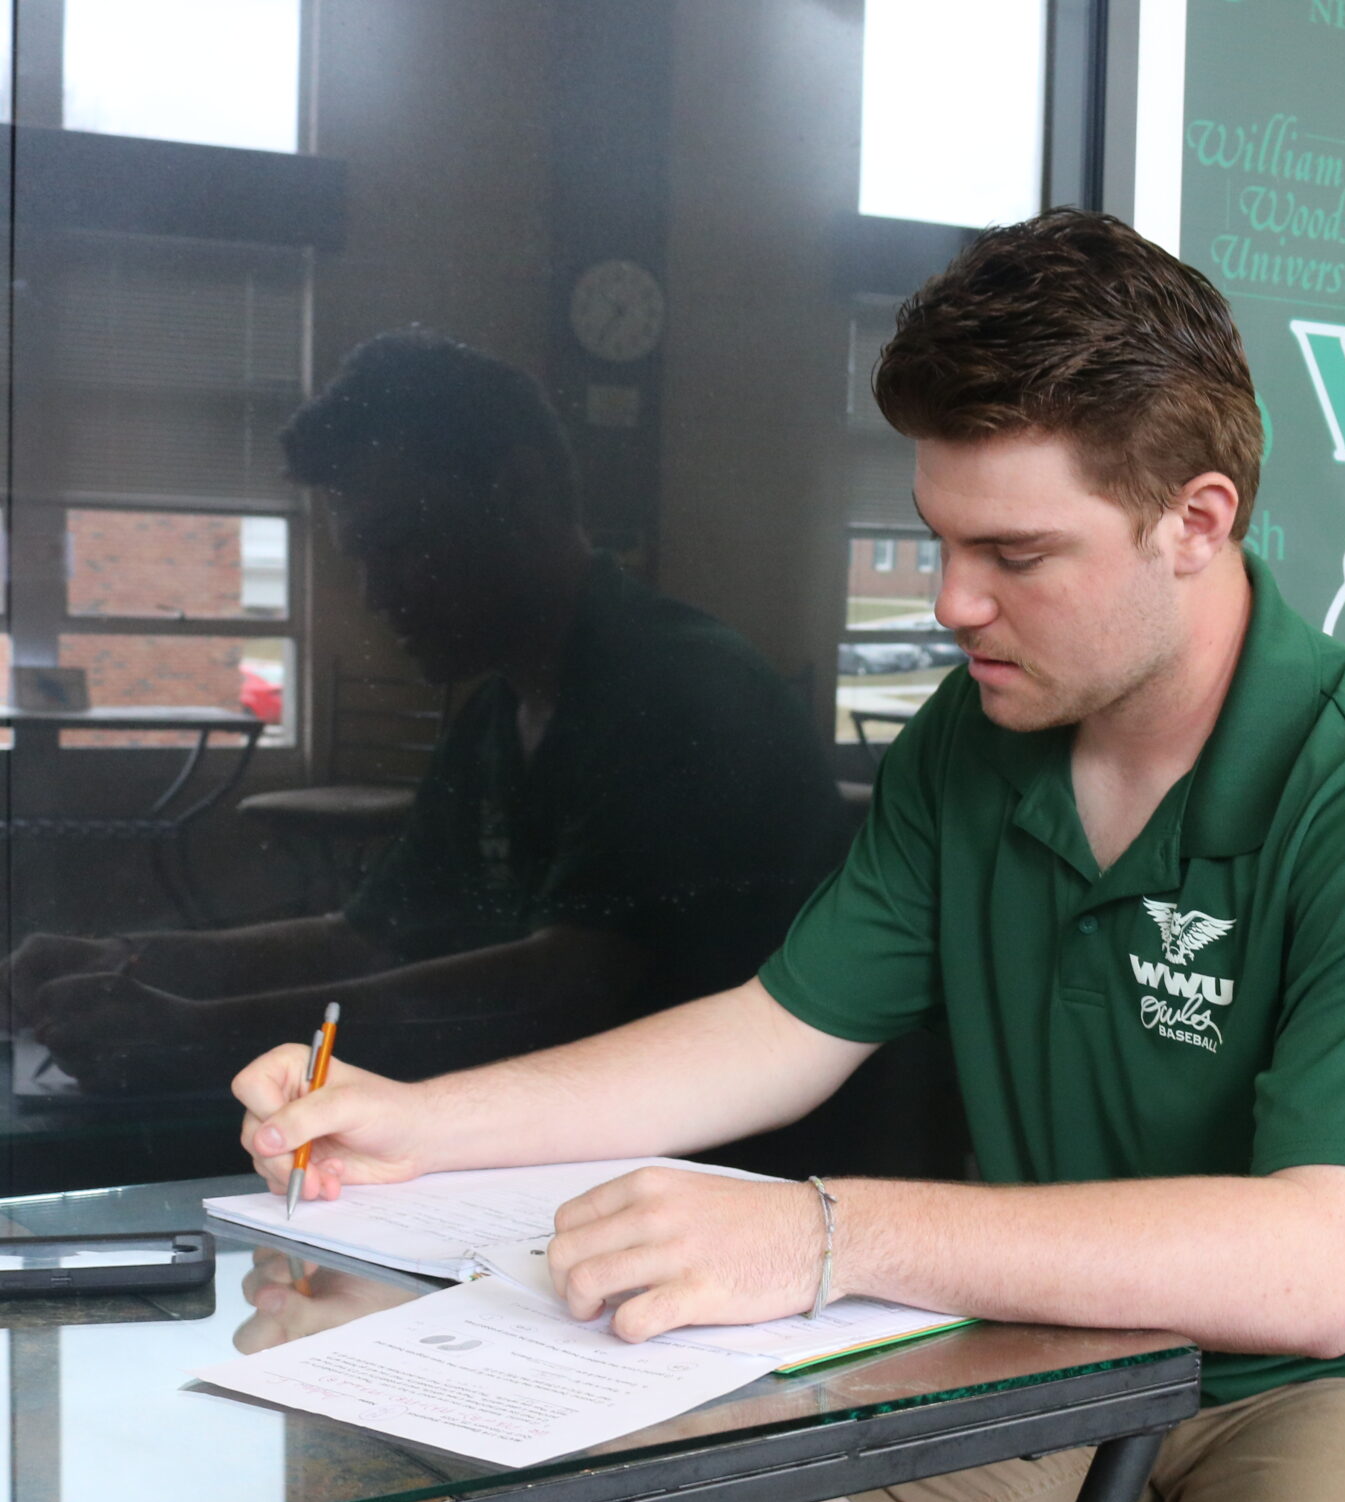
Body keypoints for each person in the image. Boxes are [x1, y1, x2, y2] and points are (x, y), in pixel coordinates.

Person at [233, 211, 1345, 1502]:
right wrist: (421, 1119)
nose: (950, 602)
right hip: (1076, 1352)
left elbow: (1321, 1266)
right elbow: (775, 1029)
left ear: (1195, 522)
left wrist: (825, 1236)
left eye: (1016, 553)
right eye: (940, 538)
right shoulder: (972, 740)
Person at [10, 332, 850, 1094]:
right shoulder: (500, 715)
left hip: (742, 1177)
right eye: (363, 558)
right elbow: (370, 934)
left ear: (519, 493)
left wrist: (199, 1032)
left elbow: (564, 988)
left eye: (404, 544)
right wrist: (131, 963)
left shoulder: (677, 688)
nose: (377, 595)